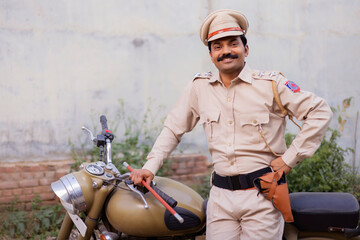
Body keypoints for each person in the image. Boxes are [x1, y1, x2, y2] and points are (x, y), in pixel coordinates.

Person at [130, 9, 332, 239]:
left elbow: (320, 111)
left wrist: (289, 160)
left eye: (233, 44)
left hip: (262, 196)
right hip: (220, 198)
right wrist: (150, 167)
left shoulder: (271, 84)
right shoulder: (199, 87)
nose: (226, 51)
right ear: (211, 54)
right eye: (218, 46)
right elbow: (173, 130)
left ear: (246, 49)